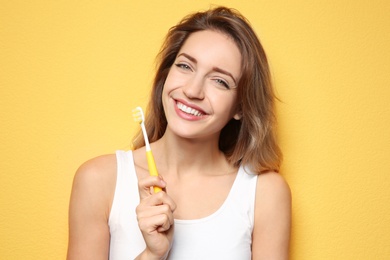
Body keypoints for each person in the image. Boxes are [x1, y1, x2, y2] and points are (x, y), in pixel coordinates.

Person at [67, 6, 291, 260]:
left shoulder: (264, 194)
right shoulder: (98, 181)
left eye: (220, 81)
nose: (193, 90)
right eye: (185, 66)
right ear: (166, 74)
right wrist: (153, 254)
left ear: (241, 106)